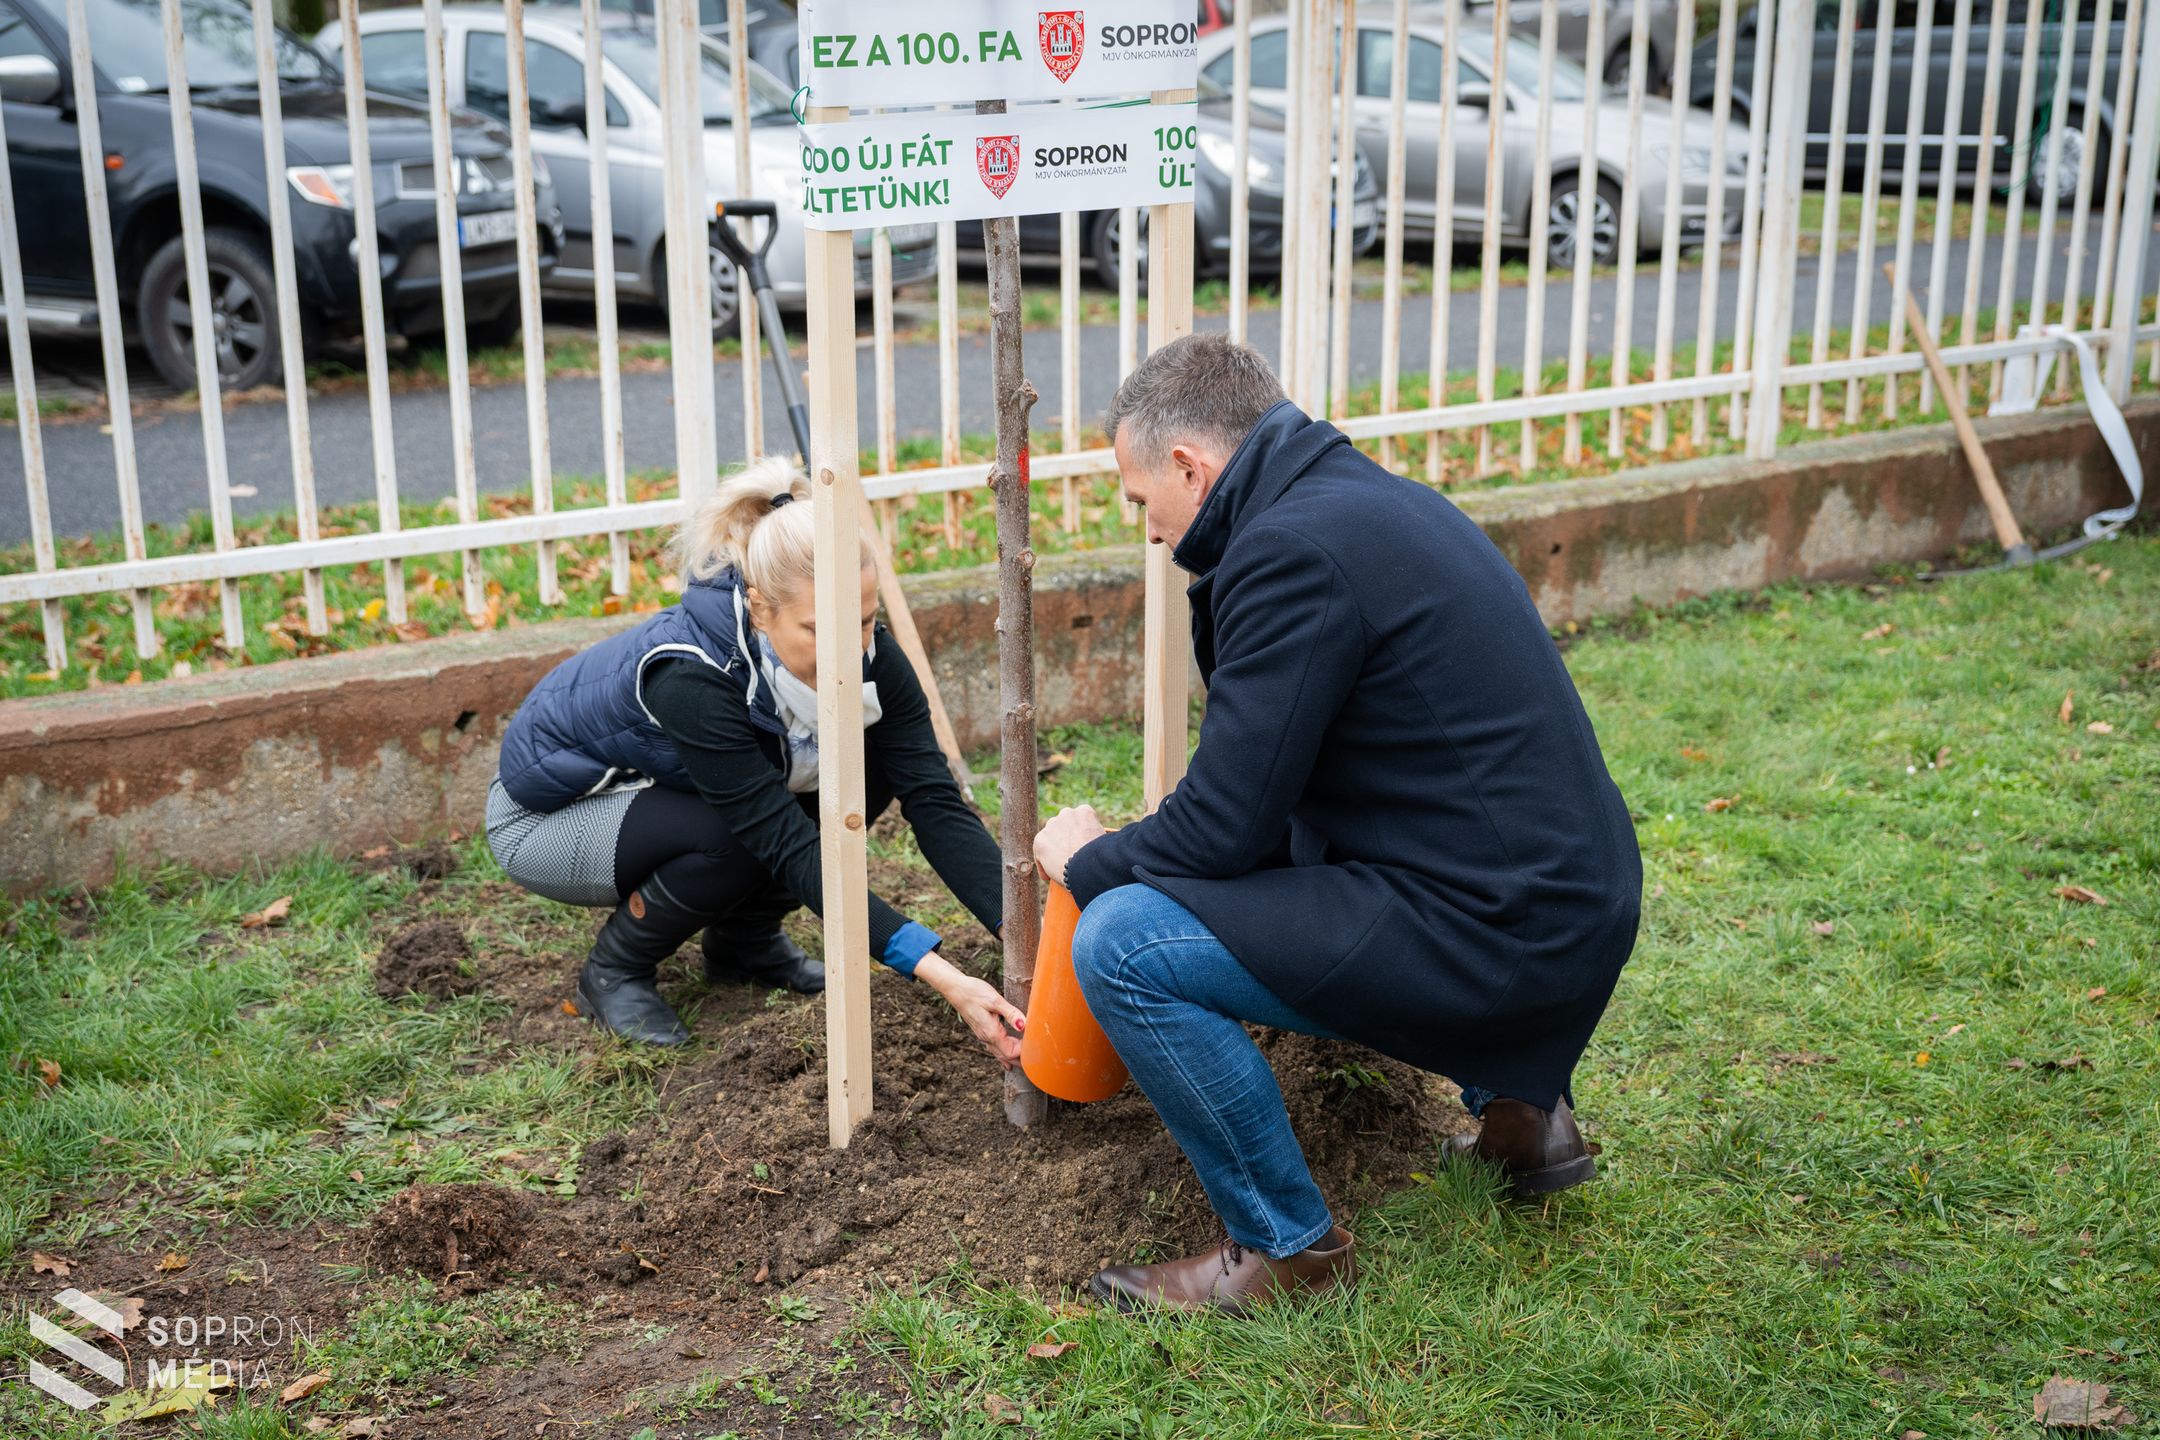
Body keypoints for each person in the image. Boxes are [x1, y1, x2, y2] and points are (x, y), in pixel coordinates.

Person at [1033, 334, 1642, 1316]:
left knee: (1124, 944)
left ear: (1189, 466)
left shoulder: (1289, 552)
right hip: (1572, 902)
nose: (1149, 531)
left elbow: (1224, 830)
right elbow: (1280, 798)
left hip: (1502, 934)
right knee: (1314, 858)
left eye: (1142, 501)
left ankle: (1288, 1251)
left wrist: (1091, 860)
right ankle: (1527, 1120)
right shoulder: (1368, 501)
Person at [486, 457, 1025, 1066]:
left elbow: (935, 801)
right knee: (737, 833)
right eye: (819, 629)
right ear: (760, 609)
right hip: (551, 818)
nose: (851, 649)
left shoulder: (873, 657)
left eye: (865, 620)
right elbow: (782, 841)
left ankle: (743, 943)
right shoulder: (691, 675)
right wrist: (942, 974)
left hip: (666, 795)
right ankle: (614, 970)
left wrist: (1017, 930)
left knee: (866, 765)